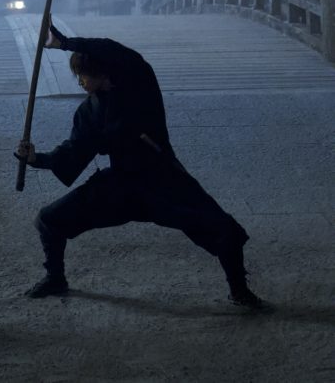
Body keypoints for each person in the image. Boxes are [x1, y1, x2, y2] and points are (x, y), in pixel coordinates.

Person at [14, 20, 265, 309]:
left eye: (82, 74)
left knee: (224, 229)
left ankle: (240, 291)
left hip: (162, 178)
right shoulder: (90, 110)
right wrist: (35, 159)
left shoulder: (139, 84)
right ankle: (55, 278)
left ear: (101, 72)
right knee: (49, 219)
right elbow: (74, 151)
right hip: (121, 184)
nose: (79, 81)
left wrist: (66, 44)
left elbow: (116, 50)